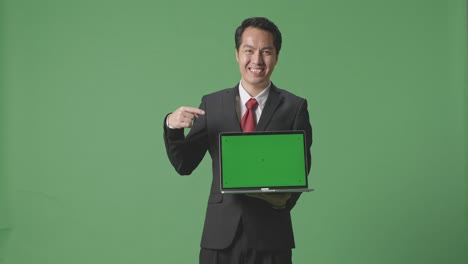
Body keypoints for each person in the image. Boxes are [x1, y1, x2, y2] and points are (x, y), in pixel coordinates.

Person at [163, 17, 312, 264]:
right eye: (249, 51)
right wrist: (172, 126)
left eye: (266, 52)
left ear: (276, 56)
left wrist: (279, 203)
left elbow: (300, 168)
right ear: (236, 54)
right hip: (219, 238)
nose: (257, 60)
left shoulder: (294, 108)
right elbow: (184, 164)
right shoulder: (212, 105)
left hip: (272, 238)